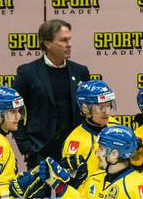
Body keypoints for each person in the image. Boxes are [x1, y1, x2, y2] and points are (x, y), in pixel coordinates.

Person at [12, 19, 92, 167]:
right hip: (40, 151)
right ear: (47, 43)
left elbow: (89, 110)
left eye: (69, 39)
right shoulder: (27, 72)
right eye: (63, 40)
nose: (69, 44)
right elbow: (15, 110)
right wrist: (26, 147)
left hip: (76, 150)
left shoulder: (80, 71)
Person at [59, 79, 116, 199]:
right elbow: (70, 188)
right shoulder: (74, 142)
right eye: (100, 107)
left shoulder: (117, 128)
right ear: (85, 109)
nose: (106, 112)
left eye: (108, 105)